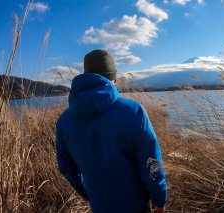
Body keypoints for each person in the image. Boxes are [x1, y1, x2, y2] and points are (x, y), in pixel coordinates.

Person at [56, 49, 167, 213]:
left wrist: (85, 193)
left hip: (99, 206)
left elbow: (66, 166)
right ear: (112, 77)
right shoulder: (133, 111)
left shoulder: (64, 121)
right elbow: (151, 161)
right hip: (136, 206)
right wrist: (159, 198)